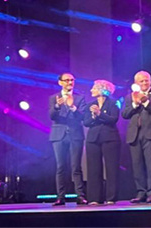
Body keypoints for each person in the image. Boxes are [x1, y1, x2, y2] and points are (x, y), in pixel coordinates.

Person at [122, 70, 151, 203]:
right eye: (141, 81)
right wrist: (135, 104)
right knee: (137, 165)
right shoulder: (129, 97)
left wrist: (146, 102)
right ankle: (141, 191)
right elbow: (125, 114)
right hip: (135, 134)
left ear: (150, 81)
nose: (145, 83)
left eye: (147, 80)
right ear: (136, 83)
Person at [49, 72, 87, 206]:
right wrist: (57, 106)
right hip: (59, 135)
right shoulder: (54, 98)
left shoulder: (79, 98)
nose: (70, 83)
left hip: (75, 134)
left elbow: (83, 117)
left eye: (72, 80)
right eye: (66, 80)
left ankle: (80, 195)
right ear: (60, 82)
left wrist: (73, 108)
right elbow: (51, 116)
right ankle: (60, 197)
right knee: (61, 167)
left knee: (76, 166)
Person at [83, 80, 121, 205]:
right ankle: (94, 198)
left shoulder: (113, 103)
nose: (91, 90)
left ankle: (111, 197)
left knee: (111, 168)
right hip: (93, 139)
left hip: (110, 138)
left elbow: (113, 119)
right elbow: (86, 122)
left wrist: (100, 114)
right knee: (93, 169)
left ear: (102, 89)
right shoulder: (90, 105)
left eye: (94, 88)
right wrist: (94, 116)